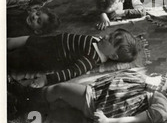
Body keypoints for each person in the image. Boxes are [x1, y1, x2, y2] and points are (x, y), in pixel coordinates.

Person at [13, 69, 167, 123]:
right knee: (65, 94)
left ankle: (25, 101)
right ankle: (28, 96)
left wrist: (108, 122)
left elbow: (136, 120)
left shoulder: (164, 107)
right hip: (104, 90)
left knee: (60, 89)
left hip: (102, 103)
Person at [7, 28, 139, 87]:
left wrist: (46, 79)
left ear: (113, 55)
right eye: (110, 34)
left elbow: (70, 73)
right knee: (14, 41)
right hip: (49, 41)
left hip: (45, 56)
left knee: (13, 59)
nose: (106, 36)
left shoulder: (90, 60)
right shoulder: (99, 41)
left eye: (110, 39)